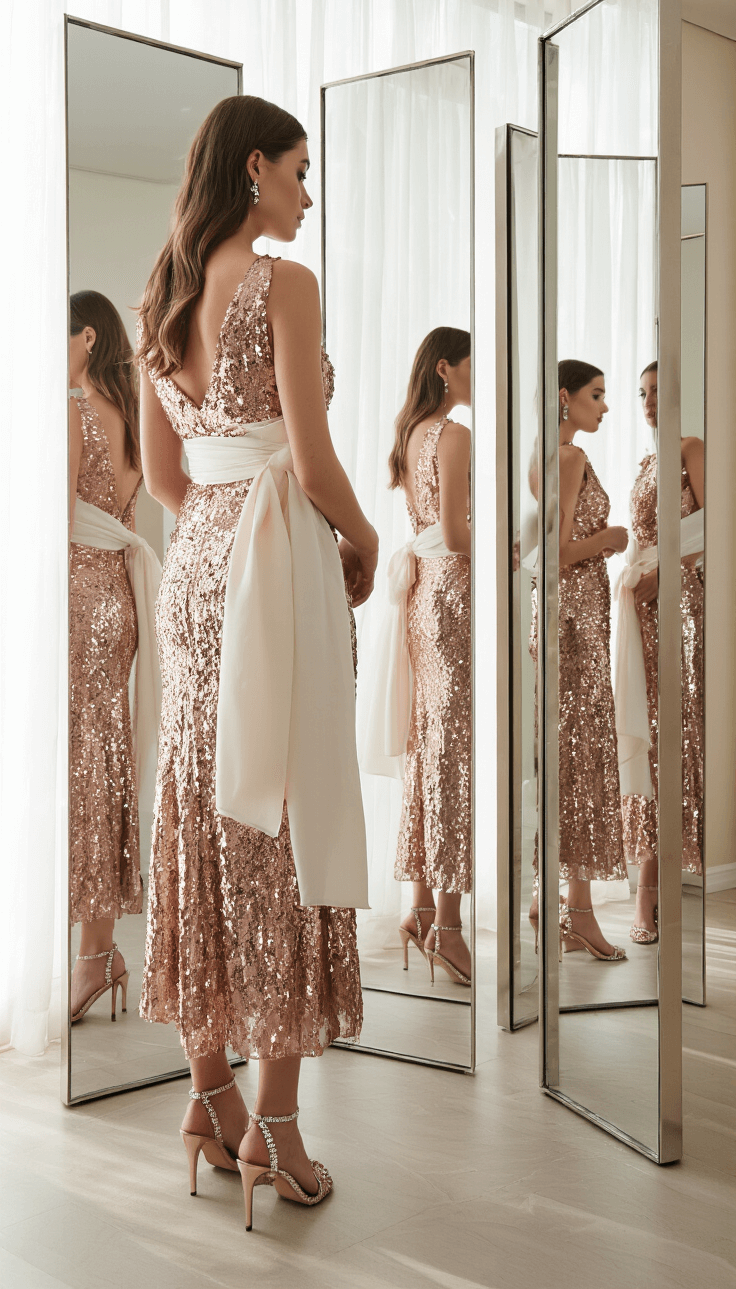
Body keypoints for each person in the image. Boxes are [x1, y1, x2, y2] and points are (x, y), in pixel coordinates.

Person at [136, 95, 377, 1232]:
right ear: (253, 171)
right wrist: (364, 542)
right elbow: (316, 457)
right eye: (298, 168)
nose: (306, 191)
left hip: (198, 564)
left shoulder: (159, 298)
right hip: (275, 566)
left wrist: (219, 529)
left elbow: (164, 479)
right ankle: (276, 1134)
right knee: (277, 814)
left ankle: (209, 1095)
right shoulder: (283, 281)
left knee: (200, 809)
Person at [530, 360, 628, 961]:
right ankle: (580, 915)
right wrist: (610, 540)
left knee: (566, 758)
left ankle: (554, 903)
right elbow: (558, 551)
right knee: (582, 758)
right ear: (566, 397)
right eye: (597, 395)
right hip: (575, 622)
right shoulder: (567, 459)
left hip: (571, 619)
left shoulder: (547, 454)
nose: (606, 406)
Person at [385, 326, 472, 986]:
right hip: (454, 597)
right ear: (446, 368)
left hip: (424, 599)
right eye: (472, 366)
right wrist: (509, 548)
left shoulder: (413, 434)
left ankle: (420, 908)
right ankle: (447, 923)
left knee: (430, 748)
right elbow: (454, 532)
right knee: (453, 757)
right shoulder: (454, 435)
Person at [68, 290, 145, 1021]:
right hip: (116, 598)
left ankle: (92, 955)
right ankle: (98, 948)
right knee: (100, 755)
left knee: (75, 762)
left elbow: (50, 514)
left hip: (73, 596)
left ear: (85, 337)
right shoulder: (134, 420)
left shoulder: (75, 412)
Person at [622, 361, 704, 943]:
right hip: (639, 608)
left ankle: (648, 902)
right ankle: (646, 892)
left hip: (676, 608)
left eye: (658, 392)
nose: (649, 402)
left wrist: (666, 572)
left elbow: (712, 524)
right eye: (643, 394)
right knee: (644, 738)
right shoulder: (646, 463)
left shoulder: (689, 448)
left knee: (670, 738)